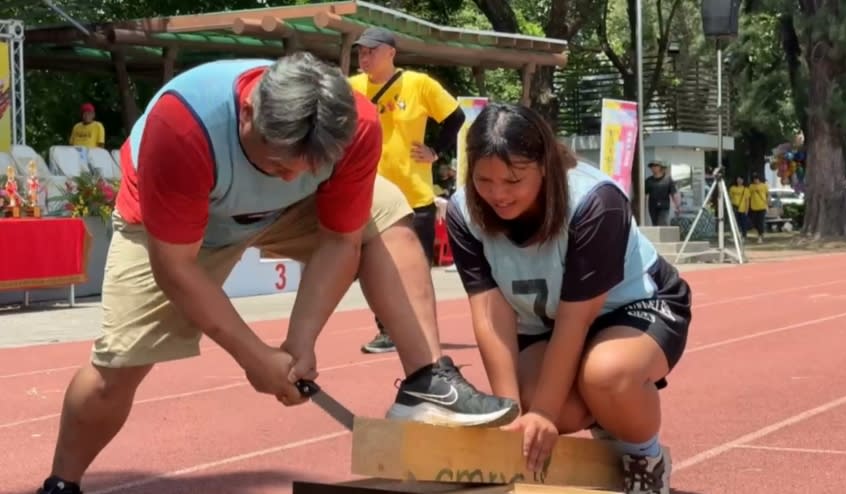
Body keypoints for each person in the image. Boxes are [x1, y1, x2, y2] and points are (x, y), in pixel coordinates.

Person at [36, 53, 518, 494]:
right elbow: (176, 269)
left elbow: (340, 239)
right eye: (278, 162)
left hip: (286, 214)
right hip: (177, 228)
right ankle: (62, 482)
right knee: (117, 368)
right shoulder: (182, 128)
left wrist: (299, 342)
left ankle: (426, 382)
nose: (290, 177)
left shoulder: (356, 124)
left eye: (309, 167)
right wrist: (254, 357)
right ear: (249, 115)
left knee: (386, 212)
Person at [445, 103, 691, 494]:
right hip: (545, 322)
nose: (497, 194)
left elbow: (577, 320)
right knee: (536, 409)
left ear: (545, 166)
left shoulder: (595, 202)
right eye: (484, 180)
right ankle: (607, 419)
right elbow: (490, 314)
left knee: (606, 376)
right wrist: (511, 415)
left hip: (635, 307)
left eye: (513, 181)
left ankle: (646, 456)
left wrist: (542, 413)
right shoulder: (462, 211)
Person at [349, 27, 466, 354]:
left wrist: (435, 151)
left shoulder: (419, 84)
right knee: (372, 268)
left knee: (417, 271)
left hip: (414, 197)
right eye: (361, 51)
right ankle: (386, 330)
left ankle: (421, 333)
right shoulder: (352, 88)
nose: (365, 57)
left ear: (391, 53)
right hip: (370, 198)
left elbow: (456, 117)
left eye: (371, 50)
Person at [644, 160, 680, 227]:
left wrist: (677, 206)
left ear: (660, 167)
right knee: (655, 225)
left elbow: (674, 194)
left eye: (655, 166)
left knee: (662, 223)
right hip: (652, 207)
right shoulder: (648, 181)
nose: (653, 168)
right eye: (652, 166)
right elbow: (643, 194)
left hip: (664, 206)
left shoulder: (668, 179)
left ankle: (664, 237)